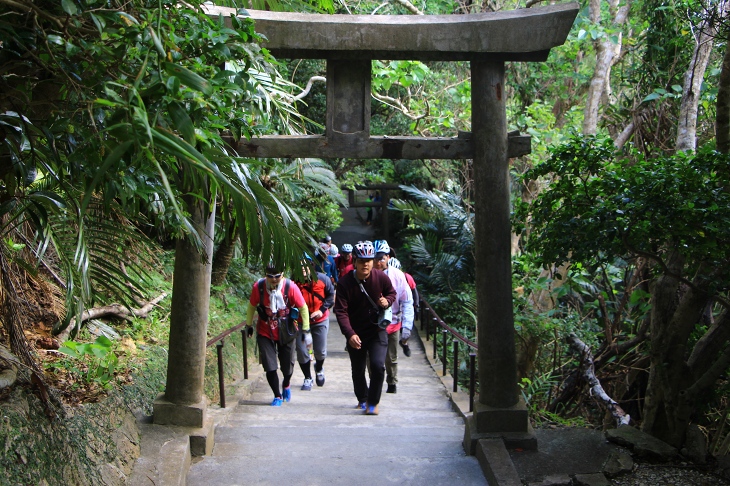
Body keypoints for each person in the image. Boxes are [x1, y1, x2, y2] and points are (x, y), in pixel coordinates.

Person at [334, 240, 396, 415]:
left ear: (373, 261)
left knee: (378, 366)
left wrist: (388, 300)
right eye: (361, 261)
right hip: (356, 332)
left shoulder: (381, 277)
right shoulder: (345, 283)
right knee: (358, 369)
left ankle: (373, 402)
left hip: (377, 331)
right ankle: (362, 398)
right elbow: (340, 311)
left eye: (369, 260)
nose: (365, 264)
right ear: (355, 261)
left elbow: (392, 293)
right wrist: (349, 334)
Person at [246, 264, 310, 406]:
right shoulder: (259, 287)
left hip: (286, 331)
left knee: (287, 366)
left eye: (277, 276)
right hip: (265, 330)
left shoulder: (290, 287)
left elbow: (303, 308)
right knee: (270, 365)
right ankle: (277, 395)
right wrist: (248, 325)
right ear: (265, 275)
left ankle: (286, 383)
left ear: (282, 275)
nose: (274, 280)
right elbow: (251, 306)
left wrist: (305, 329)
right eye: (270, 276)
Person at [373, 240, 414, 394]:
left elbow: (407, 301)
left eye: (381, 258)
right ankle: (374, 384)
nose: (378, 262)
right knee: (374, 358)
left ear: (388, 257)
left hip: (393, 322)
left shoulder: (398, 276)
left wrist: (407, 326)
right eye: (375, 259)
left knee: (391, 357)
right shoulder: (368, 273)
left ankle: (392, 381)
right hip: (373, 323)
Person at [294, 259, 335, 390]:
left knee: (320, 351)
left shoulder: (323, 279)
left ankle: (319, 367)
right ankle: (307, 377)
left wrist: (321, 310)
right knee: (301, 351)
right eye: (300, 267)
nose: (303, 270)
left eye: (306, 267)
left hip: (320, 320)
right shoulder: (294, 282)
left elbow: (331, 296)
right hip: (301, 321)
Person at [388, 257, 418, 357]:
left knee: (405, 331)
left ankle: (404, 343)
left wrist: (416, 305)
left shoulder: (406, 277)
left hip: (404, 305)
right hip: (394, 311)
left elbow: (414, 291)